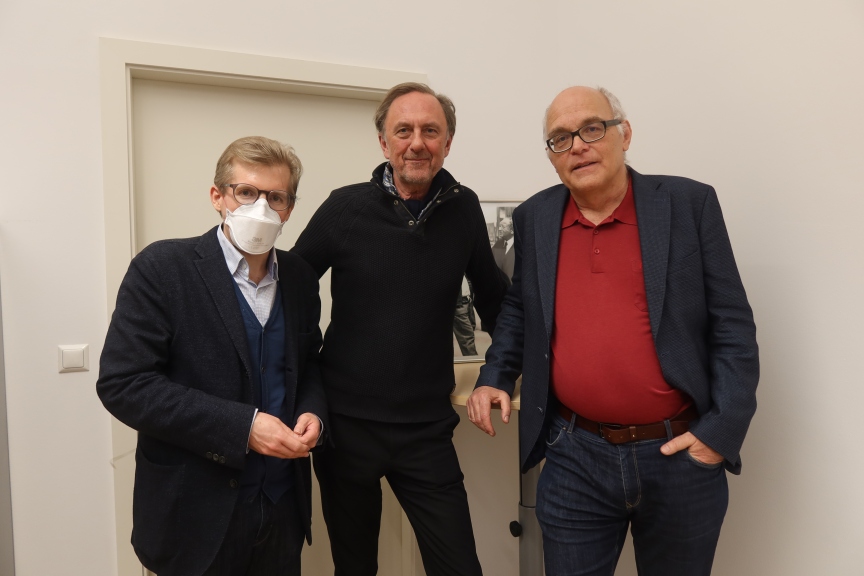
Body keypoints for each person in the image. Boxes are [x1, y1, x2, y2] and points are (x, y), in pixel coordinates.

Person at [467, 86, 759, 576]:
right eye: (560, 138)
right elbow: (520, 308)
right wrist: (494, 375)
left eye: (592, 128)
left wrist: (720, 434)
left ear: (624, 133)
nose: (577, 146)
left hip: (678, 454)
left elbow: (732, 323)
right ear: (551, 157)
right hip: (573, 455)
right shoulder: (535, 217)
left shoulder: (688, 204)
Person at [292, 82, 508, 576]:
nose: (417, 143)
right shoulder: (345, 208)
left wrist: (504, 369)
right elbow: (289, 290)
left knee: (459, 568)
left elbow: (496, 298)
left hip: (425, 430)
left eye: (430, 131)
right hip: (346, 429)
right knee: (355, 568)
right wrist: (299, 381)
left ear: (447, 143)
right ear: (383, 142)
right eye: (403, 130)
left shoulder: (463, 208)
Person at [97, 136, 327, 576]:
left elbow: (309, 363)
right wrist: (243, 427)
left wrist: (313, 411)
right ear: (218, 197)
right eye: (246, 192)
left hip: (282, 509)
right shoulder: (163, 268)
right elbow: (124, 384)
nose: (261, 208)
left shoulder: (299, 277)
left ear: (289, 209)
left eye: (276, 197)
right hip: (194, 515)